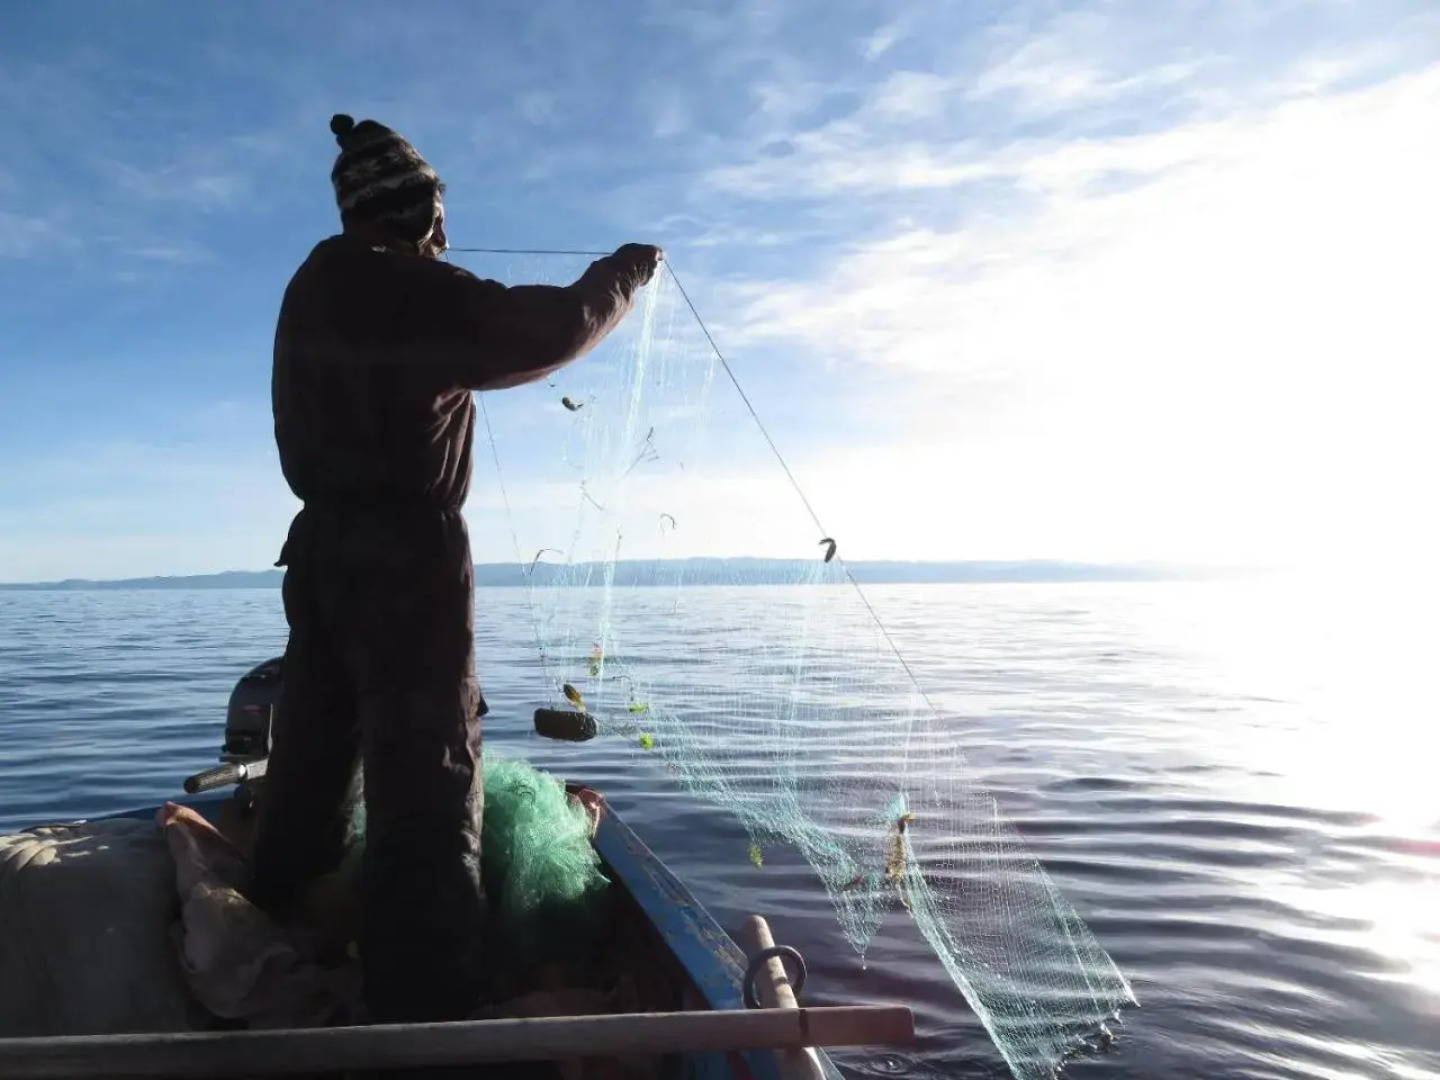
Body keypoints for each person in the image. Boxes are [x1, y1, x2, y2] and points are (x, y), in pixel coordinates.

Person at [247, 113, 661, 1028]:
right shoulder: (402, 288)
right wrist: (625, 271)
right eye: (436, 211)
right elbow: (547, 327)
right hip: (405, 565)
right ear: (413, 210)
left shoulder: (313, 284)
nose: (444, 230)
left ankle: (278, 906)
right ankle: (424, 1004)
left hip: (319, 556)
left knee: (313, 741)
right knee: (428, 774)